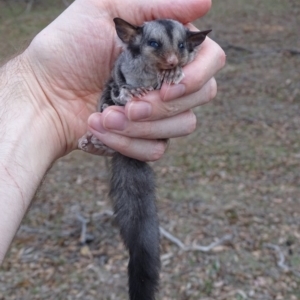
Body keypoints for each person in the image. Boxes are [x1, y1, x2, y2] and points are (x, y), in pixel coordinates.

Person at [0, 0, 225, 263]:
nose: (172, 58)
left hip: (125, 119)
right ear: (130, 38)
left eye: (180, 49)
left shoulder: (176, 56)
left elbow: (183, 56)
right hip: (115, 103)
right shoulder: (128, 52)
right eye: (157, 46)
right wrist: (40, 87)